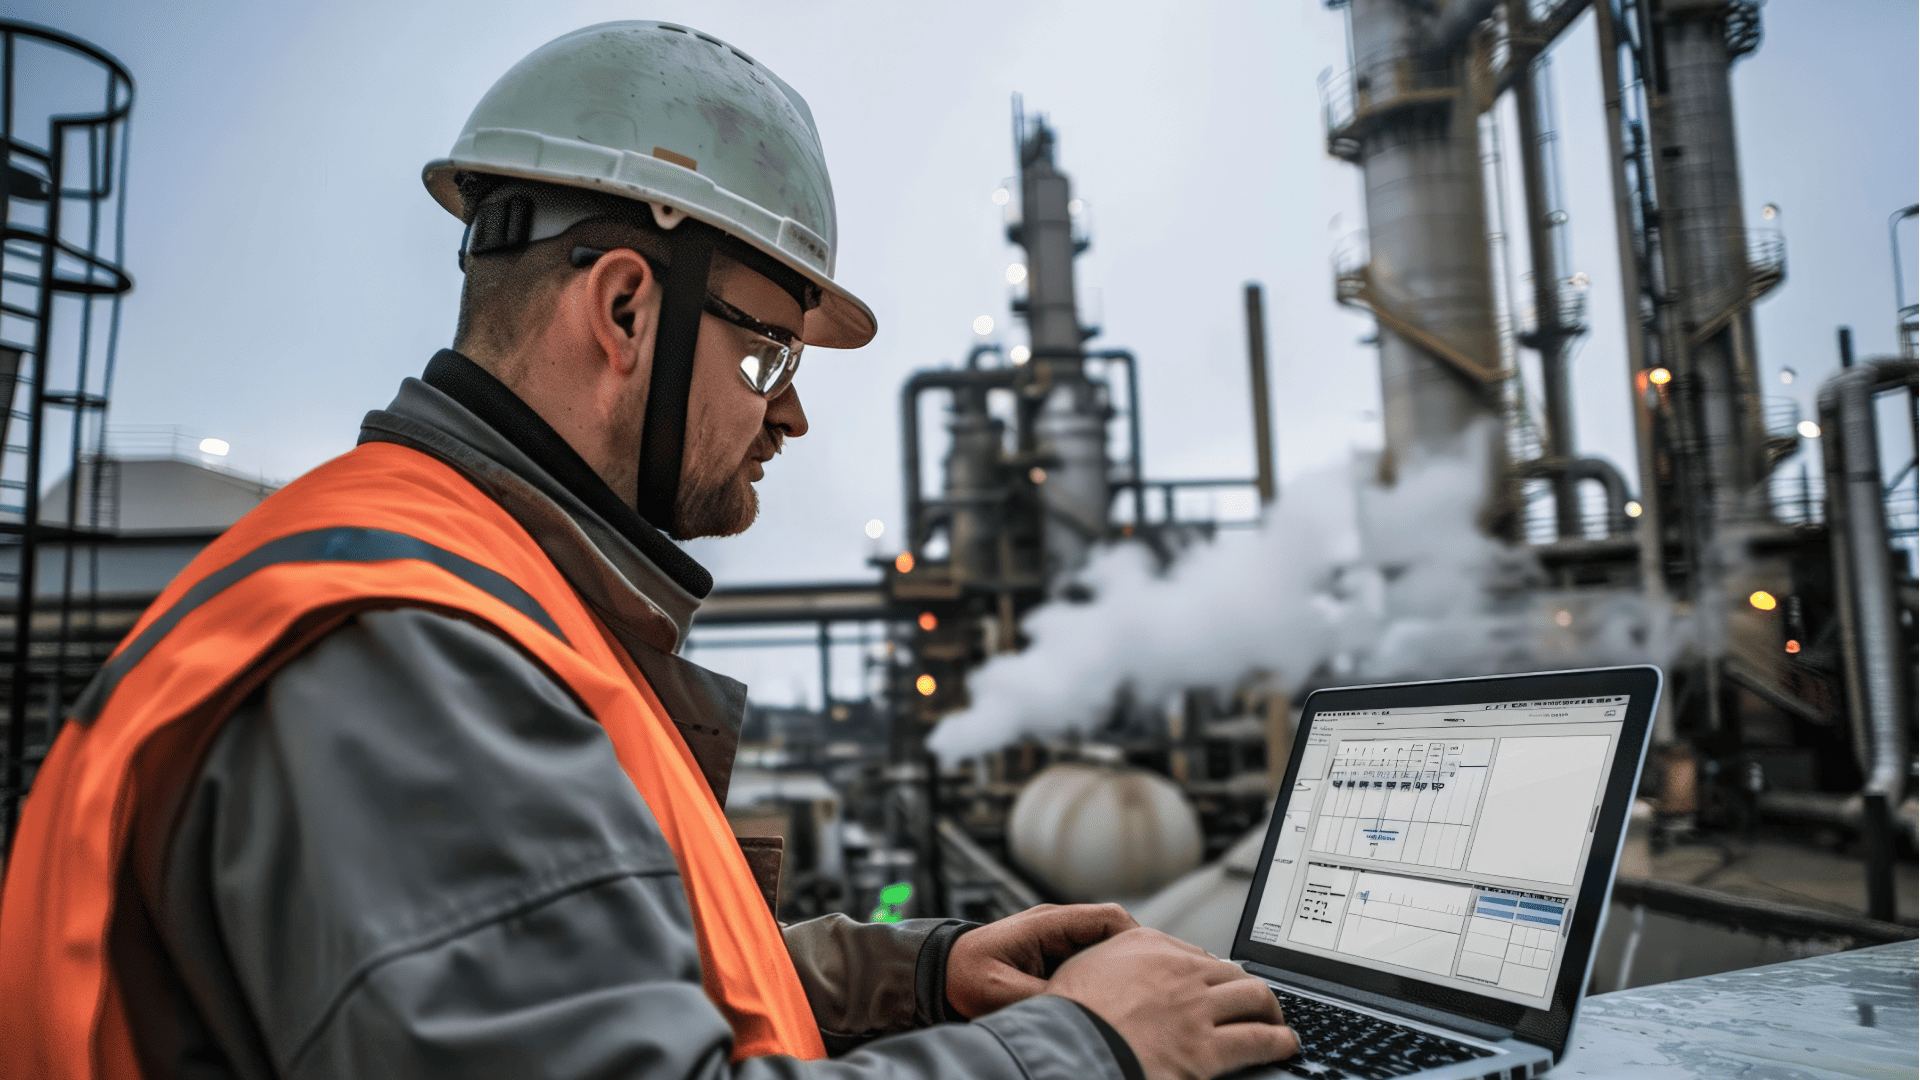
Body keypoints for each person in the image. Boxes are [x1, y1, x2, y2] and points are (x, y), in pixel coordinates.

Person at [0, 21, 1297, 1080]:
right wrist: (1084, 1048)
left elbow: (597, 969)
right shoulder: (406, 647)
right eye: (766, 352)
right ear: (626, 307)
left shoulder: (490, 593)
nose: (789, 411)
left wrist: (908, 973)